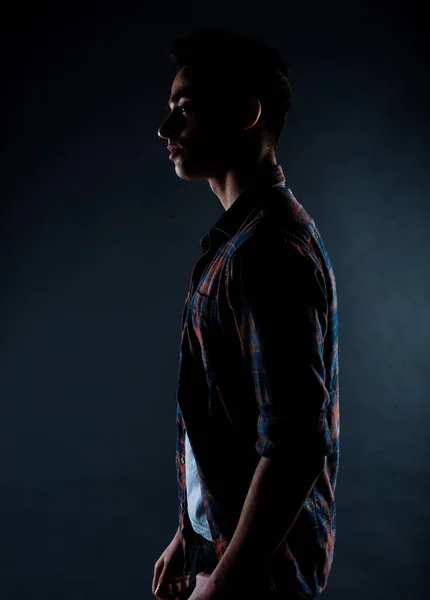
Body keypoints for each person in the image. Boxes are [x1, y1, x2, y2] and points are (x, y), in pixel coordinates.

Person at [153, 26, 340, 600]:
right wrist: (189, 534)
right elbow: (230, 423)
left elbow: (293, 443)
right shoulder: (241, 243)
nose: (166, 129)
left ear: (246, 114)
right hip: (225, 555)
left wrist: (226, 581)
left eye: (184, 109)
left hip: (258, 580)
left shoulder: (265, 251)